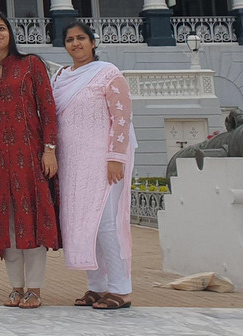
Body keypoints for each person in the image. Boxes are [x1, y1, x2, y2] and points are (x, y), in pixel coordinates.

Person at [0, 11, 60, 309]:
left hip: (31, 156)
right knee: (7, 224)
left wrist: (50, 149)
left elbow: (47, 108)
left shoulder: (31, 65)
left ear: (9, 33)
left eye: (1, 28)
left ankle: (35, 289)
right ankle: (16, 287)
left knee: (32, 220)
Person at [52, 20, 137, 311]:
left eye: (81, 38)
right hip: (73, 162)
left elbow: (122, 119)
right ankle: (97, 286)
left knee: (106, 224)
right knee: (85, 224)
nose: (75, 44)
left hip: (103, 161)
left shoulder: (108, 74)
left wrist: (116, 158)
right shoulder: (61, 77)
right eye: (70, 39)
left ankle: (120, 289)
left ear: (93, 42)